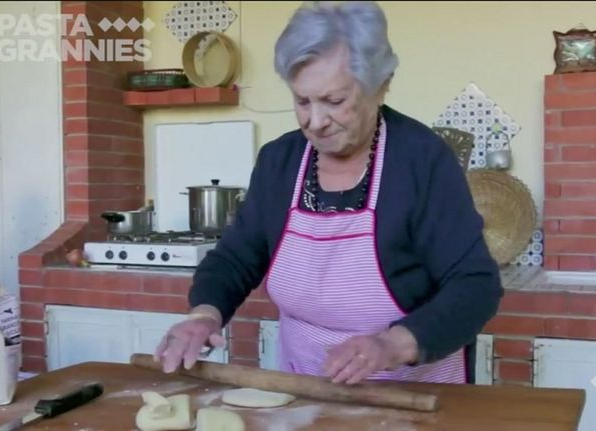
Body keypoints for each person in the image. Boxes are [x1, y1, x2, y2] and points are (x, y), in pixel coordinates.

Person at [154, 0, 504, 385]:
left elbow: (475, 284)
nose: (316, 122)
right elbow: (236, 258)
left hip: (413, 392)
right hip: (307, 390)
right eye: (302, 101)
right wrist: (204, 314)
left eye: (334, 101)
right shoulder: (279, 161)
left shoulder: (422, 161)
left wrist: (392, 345)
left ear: (380, 87)